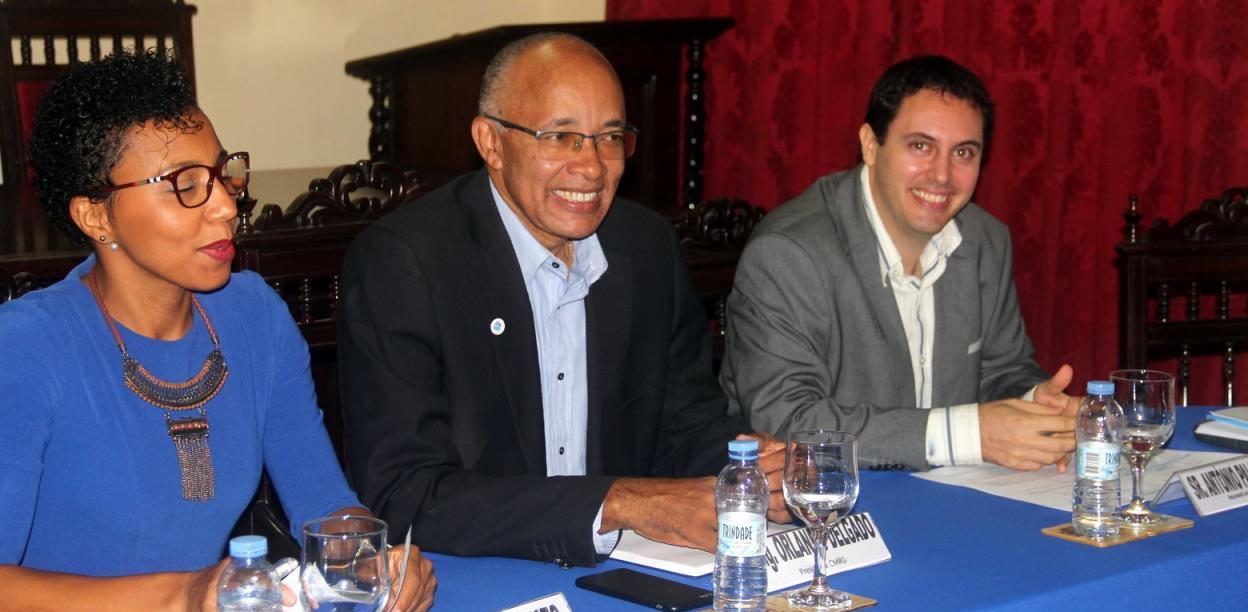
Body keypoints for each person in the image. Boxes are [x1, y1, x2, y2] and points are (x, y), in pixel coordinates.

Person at [0, 51, 434, 612]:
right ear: (95, 215)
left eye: (222, 174)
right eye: (185, 185)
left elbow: (323, 504)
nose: (225, 205)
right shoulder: (30, 345)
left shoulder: (254, 314)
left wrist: (373, 557)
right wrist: (184, 597)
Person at [339, 33, 786, 569]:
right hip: (475, 576)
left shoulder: (644, 248)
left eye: (610, 137)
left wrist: (750, 463)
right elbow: (405, 492)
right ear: (491, 142)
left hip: (625, 568)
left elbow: (683, 422)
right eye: (560, 137)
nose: (593, 167)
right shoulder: (407, 262)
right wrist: (616, 503)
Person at [720, 55, 1079, 472]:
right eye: (921, 146)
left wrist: (1037, 405)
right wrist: (972, 434)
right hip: (821, 506)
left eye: (963, 152)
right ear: (871, 145)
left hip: (951, 497)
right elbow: (790, 421)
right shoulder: (788, 254)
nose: (942, 175)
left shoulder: (985, 240)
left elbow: (1000, 370)